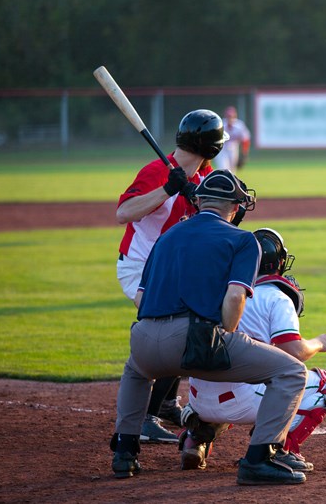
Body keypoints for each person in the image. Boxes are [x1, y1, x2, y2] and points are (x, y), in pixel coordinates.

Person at [110, 169, 309, 486]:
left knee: (135, 372)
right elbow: (234, 297)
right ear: (235, 208)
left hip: (144, 338)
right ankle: (260, 458)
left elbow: (141, 297)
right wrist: (226, 336)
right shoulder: (243, 239)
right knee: (292, 372)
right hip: (197, 339)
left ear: (199, 201)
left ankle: (124, 453)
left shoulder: (165, 238)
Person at [177, 228, 326, 472]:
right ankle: (280, 449)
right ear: (280, 262)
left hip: (198, 398)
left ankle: (195, 437)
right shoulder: (276, 297)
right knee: (321, 383)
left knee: (227, 371)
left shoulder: (216, 289)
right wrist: (319, 342)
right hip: (241, 399)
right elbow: (294, 351)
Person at [116, 109, 225, 444]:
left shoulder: (203, 176)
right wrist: (167, 189)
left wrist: (202, 201)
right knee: (169, 330)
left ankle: (164, 404)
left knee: (192, 323)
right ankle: (145, 418)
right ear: (210, 144)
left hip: (171, 270)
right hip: (140, 266)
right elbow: (124, 213)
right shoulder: (156, 171)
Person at [213, 106, 251, 171]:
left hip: (234, 149)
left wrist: (244, 154)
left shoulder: (239, 126)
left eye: (232, 116)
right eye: (228, 116)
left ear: (235, 116)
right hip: (222, 150)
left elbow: (246, 140)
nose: (230, 118)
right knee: (223, 169)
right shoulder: (220, 124)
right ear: (225, 116)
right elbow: (214, 139)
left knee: (232, 171)